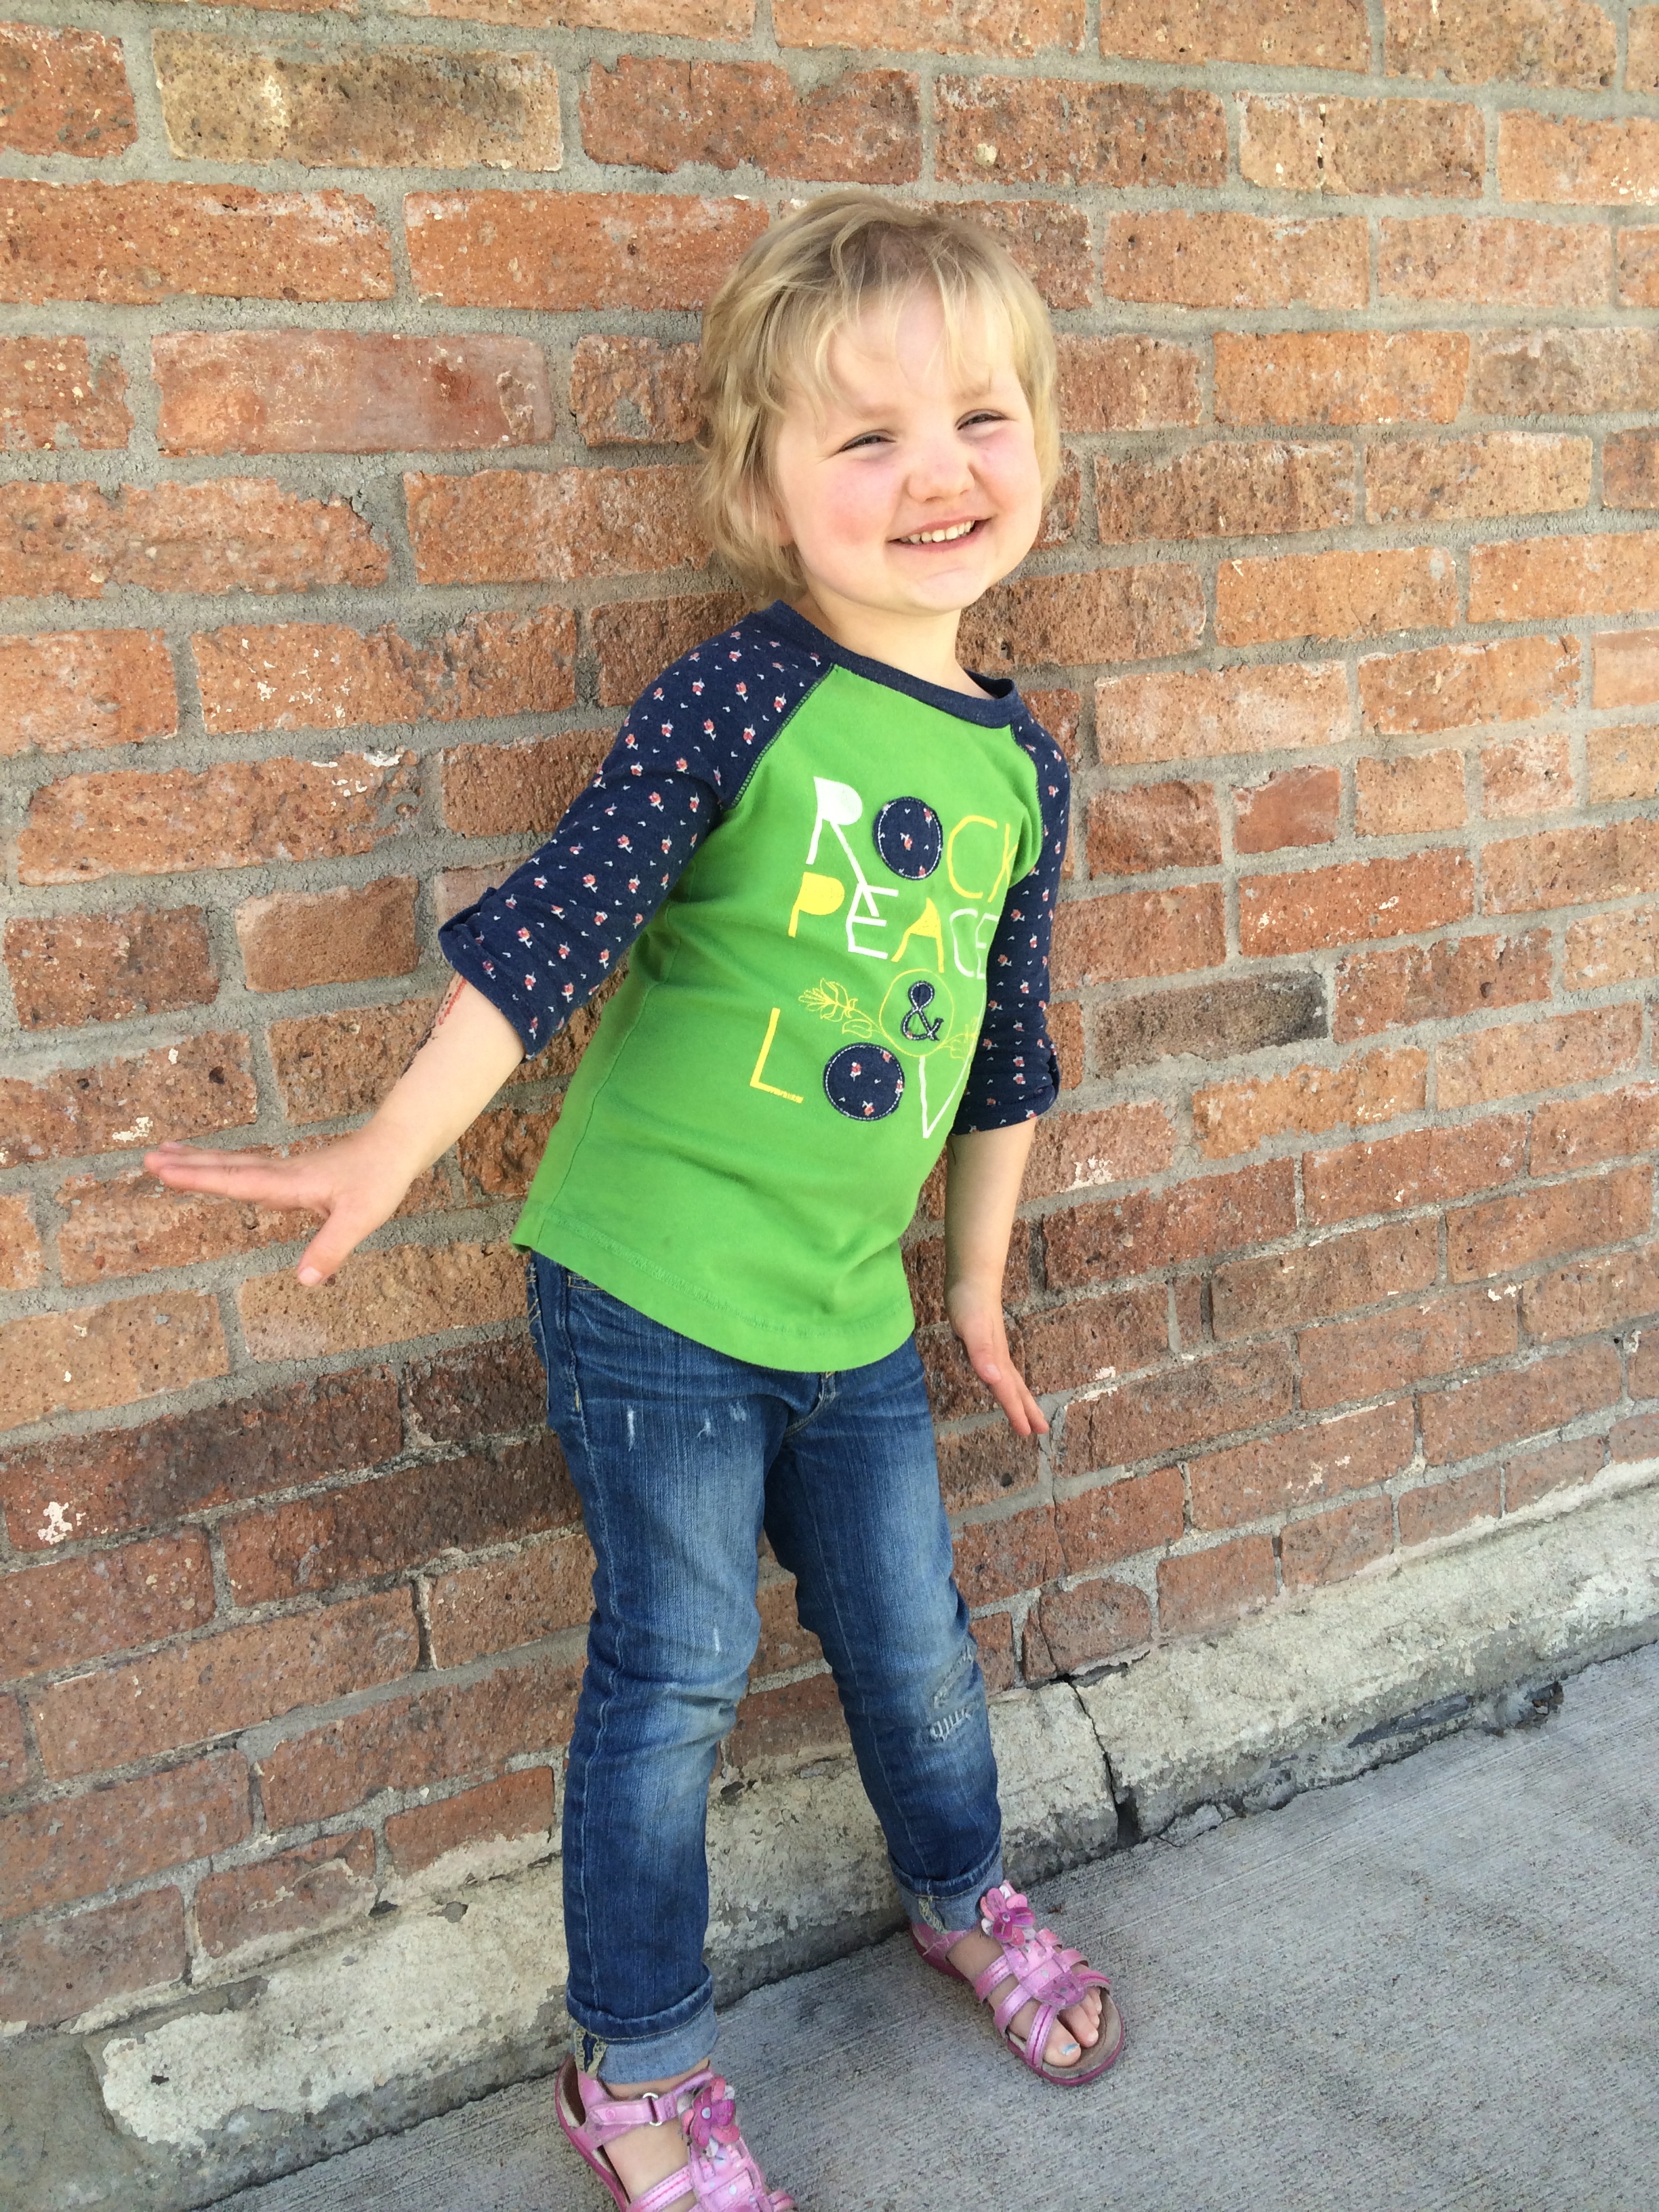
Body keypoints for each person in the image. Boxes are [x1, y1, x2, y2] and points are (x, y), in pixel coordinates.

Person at [145, 192, 1123, 2212]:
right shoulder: (739, 696)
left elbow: (1005, 1052)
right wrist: (391, 1146)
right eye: (866, 436)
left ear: (1041, 441)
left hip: (850, 1306)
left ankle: (963, 1894)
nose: (936, 472)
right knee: (676, 1673)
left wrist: (977, 1292)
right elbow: (554, 929)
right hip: (654, 1292)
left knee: (916, 1646)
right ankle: (643, 2071)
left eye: (978, 418)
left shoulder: (1021, 772)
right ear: (766, 495)